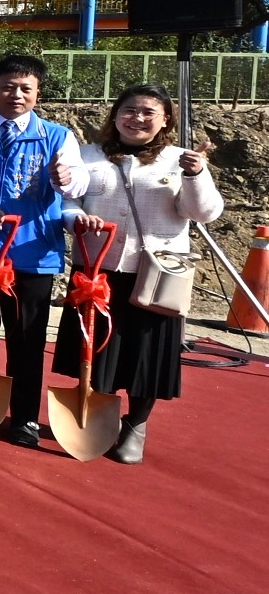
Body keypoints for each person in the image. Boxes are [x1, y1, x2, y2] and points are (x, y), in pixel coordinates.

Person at [58, 85, 223, 464]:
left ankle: (136, 424)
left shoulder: (180, 160)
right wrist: (76, 219)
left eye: (149, 112)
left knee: (146, 354)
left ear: (165, 120)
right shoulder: (88, 155)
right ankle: (99, 415)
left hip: (155, 274)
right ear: (115, 115)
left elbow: (204, 213)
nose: (137, 118)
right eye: (129, 110)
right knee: (97, 348)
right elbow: (68, 200)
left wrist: (196, 175)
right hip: (98, 268)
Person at [0, 54, 88, 448]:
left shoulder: (56, 137)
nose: (16, 95)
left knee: (28, 339)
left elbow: (78, 183)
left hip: (32, 254)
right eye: (8, 87)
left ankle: (24, 417)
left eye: (26, 88)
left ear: (38, 93)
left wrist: (65, 179)